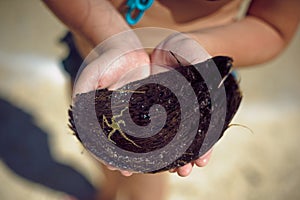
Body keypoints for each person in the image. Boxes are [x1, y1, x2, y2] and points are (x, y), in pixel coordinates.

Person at [43, 0, 300, 200]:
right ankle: (106, 193)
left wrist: (195, 44)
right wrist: (111, 38)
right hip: (94, 61)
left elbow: (273, 25)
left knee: (144, 185)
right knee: (97, 154)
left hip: (189, 77)